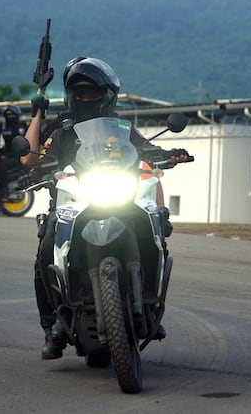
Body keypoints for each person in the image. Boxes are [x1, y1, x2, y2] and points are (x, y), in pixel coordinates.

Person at [20, 57, 188, 360]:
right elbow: (30, 159)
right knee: (45, 249)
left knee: (154, 227)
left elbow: (147, 149)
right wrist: (37, 114)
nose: (86, 99)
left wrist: (170, 155)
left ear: (107, 94)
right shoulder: (61, 128)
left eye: (92, 93)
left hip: (119, 198)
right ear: (72, 95)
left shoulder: (122, 128)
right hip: (73, 204)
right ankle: (53, 326)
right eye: (80, 93)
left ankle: (147, 303)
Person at [0, 104, 27, 194]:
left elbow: (20, 145)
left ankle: (3, 188)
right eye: (8, 115)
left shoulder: (20, 128)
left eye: (12, 115)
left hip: (18, 156)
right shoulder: (4, 128)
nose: (10, 117)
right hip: (7, 154)